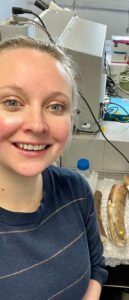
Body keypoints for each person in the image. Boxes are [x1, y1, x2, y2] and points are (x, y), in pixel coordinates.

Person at [0, 36, 108, 299]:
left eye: (55, 106)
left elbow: (97, 267)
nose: (37, 125)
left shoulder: (76, 189)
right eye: (12, 102)